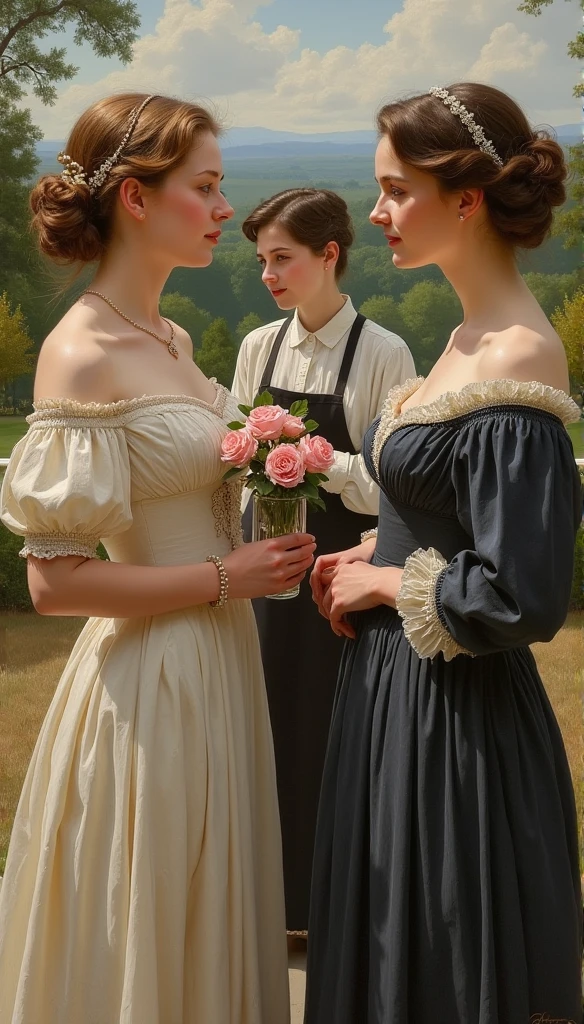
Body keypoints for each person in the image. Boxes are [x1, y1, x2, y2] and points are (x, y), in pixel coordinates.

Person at [0, 93, 317, 1024]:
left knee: (212, 912)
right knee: (151, 911)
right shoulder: (83, 354)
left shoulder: (171, 339)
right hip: (153, 681)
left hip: (222, 666)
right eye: (207, 187)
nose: (226, 209)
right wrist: (228, 579)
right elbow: (53, 583)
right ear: (136, 198)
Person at [305, 83, 582, 1023]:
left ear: (465, 199)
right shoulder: (461, 339)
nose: (375, 211)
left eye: (394, 189)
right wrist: (367, 553)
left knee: (440, 961)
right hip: (393, 690)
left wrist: (389, 577)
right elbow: (446, 519)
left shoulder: (517, 357)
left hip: (454, 717)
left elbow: (523, 596)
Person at [232, 188, 415, 938]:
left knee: (329, 737)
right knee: (259, 732)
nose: (267, 275)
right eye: (261, 261)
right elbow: (235, 460)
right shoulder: (257, 347)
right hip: (260, 577)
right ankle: (261, 907)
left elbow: (390, 492)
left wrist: (321, 459)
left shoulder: (383, 351)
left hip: (337, 580)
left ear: (329, 255)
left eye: (282, 258)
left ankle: (327, 910)